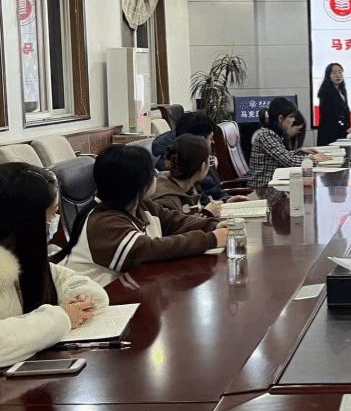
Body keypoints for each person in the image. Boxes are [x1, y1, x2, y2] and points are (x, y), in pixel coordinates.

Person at [58, 145, 228, 287]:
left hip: (127, 293)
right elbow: (150, 250)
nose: (156, 176)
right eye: (151, 172)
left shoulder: (140, 205)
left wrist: (213, 225)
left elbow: (175, 221)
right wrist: (210, 239)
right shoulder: (104, 223)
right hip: (90, 302)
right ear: (137, 184)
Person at [0, 163, 108, 366]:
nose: (55, 221)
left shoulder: (23, 257)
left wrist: (78, 300)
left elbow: (89, 290)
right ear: (28, 221)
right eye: (52, 213)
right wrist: (63, 317)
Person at [152, 112, 246, 204]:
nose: (213, 142)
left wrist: (226, 200)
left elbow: (213, 195)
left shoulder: (195, 158)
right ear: (199, 140)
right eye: (210, 138)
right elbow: (202, 204)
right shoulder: (180, 167)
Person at [248, 97, 324, 197]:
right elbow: (289, 161)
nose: (293, 120)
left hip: (273, 186)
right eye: (291, 117)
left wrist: (301, 151)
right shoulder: (266, 135)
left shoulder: (272, 134)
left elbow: (284, 155)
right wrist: (313, 159)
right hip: (264, 189)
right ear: (280, 118)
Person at [151, 135, 222, 217]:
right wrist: (206, 214)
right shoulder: (165, 201)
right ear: (202, 167)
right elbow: (178, 224)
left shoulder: (189, 186)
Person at [317, 63, 351, 146]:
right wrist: (346, 127)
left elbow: (345, 112)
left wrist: (349, 126)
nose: (338, 75)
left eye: (340, 72)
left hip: (342, 131)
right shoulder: (325, 92)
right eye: (334, 73)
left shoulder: (342, 91)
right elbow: (332, 114)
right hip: (330, 132)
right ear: (328, 75)